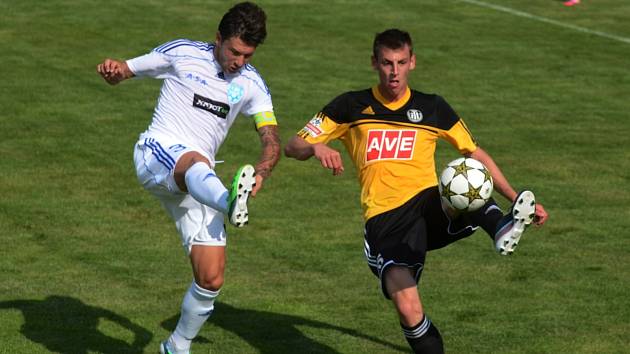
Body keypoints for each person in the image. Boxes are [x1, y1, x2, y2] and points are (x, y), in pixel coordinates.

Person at [284, 29, 548, 353]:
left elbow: (475, 153)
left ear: (412, 62)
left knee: (463, 179)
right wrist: (316, 148)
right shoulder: (350, 106)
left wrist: (516, 197)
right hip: (385, 220)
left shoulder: (432, 107)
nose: (393, 72)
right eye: (386, 63)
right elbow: (293, 145)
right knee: (409, 309)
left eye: (400, 62)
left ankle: (501, 226)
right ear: (374, 63)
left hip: (428, 205)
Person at [96, 2, 280, 353]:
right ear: (218, 39)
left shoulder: (252, 84)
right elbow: (125, 70)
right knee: (193, 160)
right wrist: (112, 70)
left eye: (248, 55)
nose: (239, 62)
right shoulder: (181, 52)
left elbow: (271, 138)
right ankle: (229, 200)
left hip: (201, 182)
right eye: (235, 52)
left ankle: (177, 347)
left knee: (211, 277)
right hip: (157, 153)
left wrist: (261, 172)